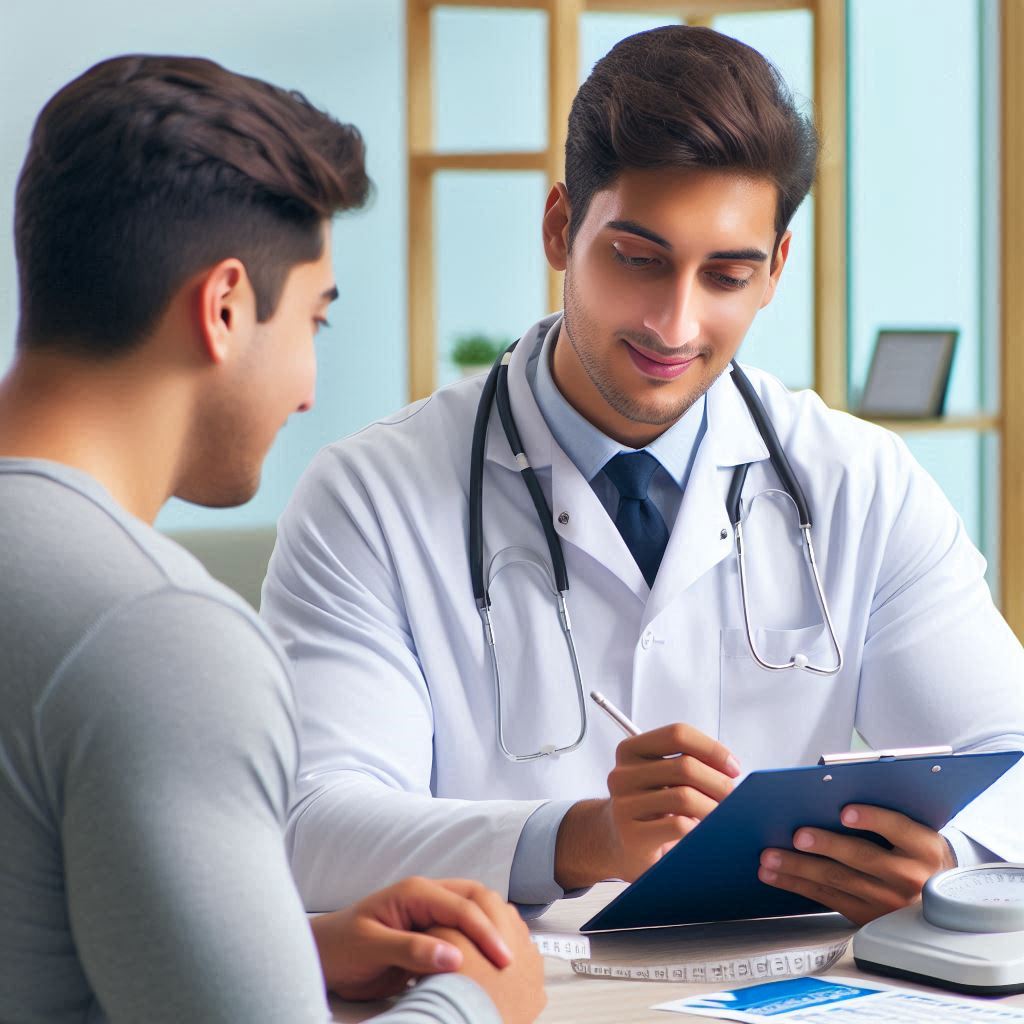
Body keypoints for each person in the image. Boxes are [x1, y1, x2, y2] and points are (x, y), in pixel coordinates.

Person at [261, 24, 1024, 928]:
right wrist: (582, 837)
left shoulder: (861, 483)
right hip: (514, 987)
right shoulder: (368, 499)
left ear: (776, 269)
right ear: (560, 227)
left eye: (726, 275)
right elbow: (314, 830)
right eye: (639, 260)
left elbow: (1009, 752)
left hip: (790, 982)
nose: (674, 324)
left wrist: (950, 862)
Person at [0, 55, 545, 1024]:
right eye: (313, 321)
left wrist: (279, 951)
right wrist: (478, 1002)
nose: (306, 389)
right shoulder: (158, 635)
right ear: (222, 308)